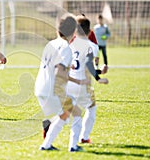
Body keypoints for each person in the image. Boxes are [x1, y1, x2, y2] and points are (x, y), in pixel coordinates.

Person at [35, 14, 89, 151]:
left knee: (64, 115)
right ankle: (73, 146)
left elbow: (55, 68)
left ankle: (46, 144)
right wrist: (77, 80)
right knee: (76, 113)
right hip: (52, 90)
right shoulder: (66, 47)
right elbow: (59, 73)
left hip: (40, 88)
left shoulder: (50, 44)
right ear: (74, 31)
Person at [66, 15, 108, 152]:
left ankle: (49, 125)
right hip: (82, 84)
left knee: (68, 112)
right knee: (90, 108)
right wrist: (99, 75)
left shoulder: (70, 44)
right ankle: (82, 138)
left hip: (68, 83)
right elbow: (88, 67)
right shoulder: (92, 46)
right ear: (90, 31)